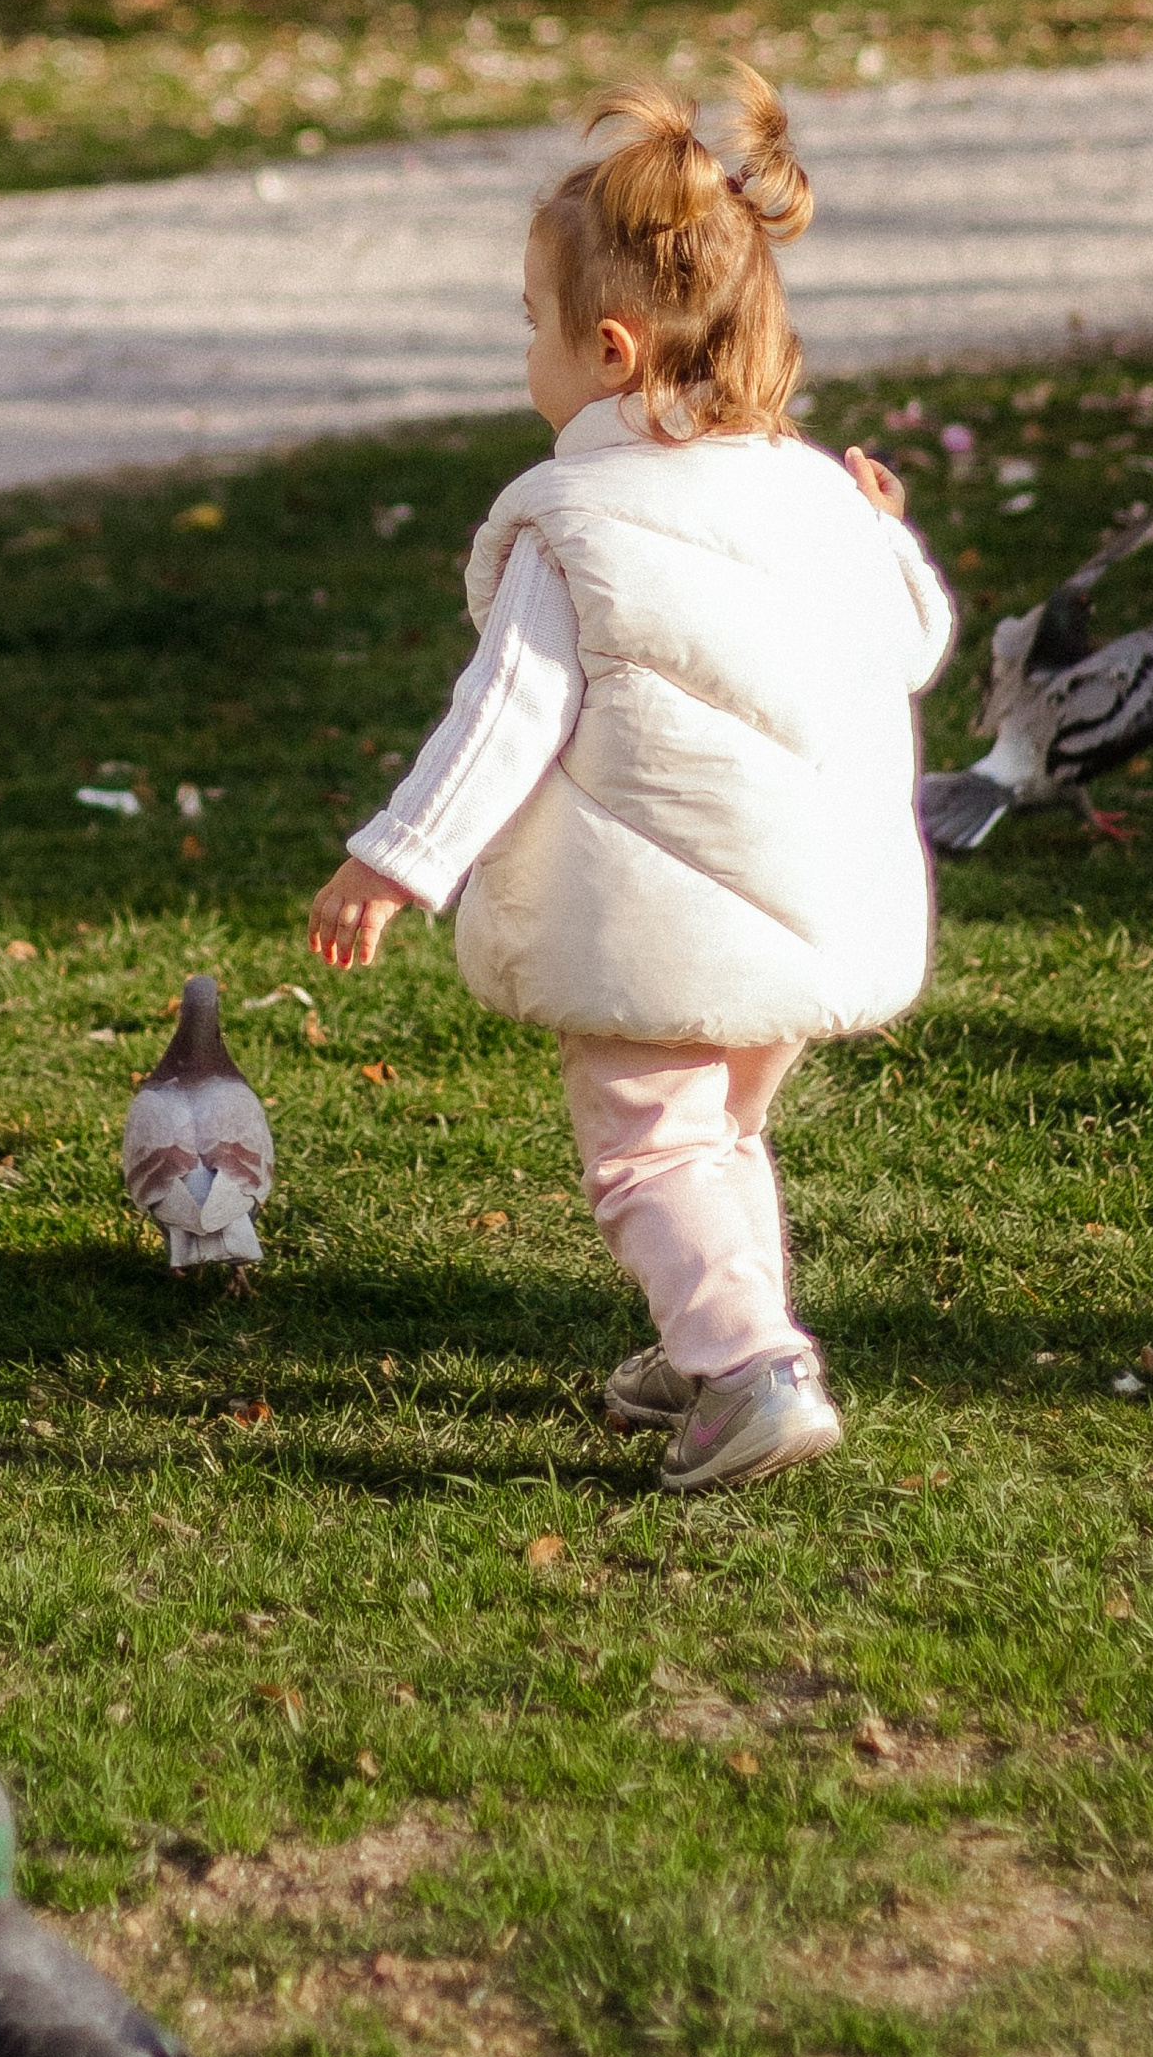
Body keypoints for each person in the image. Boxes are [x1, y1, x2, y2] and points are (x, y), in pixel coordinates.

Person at [306, 76, 955, 1496]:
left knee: (652, 1157)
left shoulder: (575, 520)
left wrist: (393, 860)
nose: (521, 354)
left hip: (660, 926)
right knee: (717, 1136)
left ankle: (750, 1369)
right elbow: (911, 643)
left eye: (527, 329)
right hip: (808, 912)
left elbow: (504, 718)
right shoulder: (821, 502)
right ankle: (712, 1334)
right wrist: (890, 535)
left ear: (607, 351)